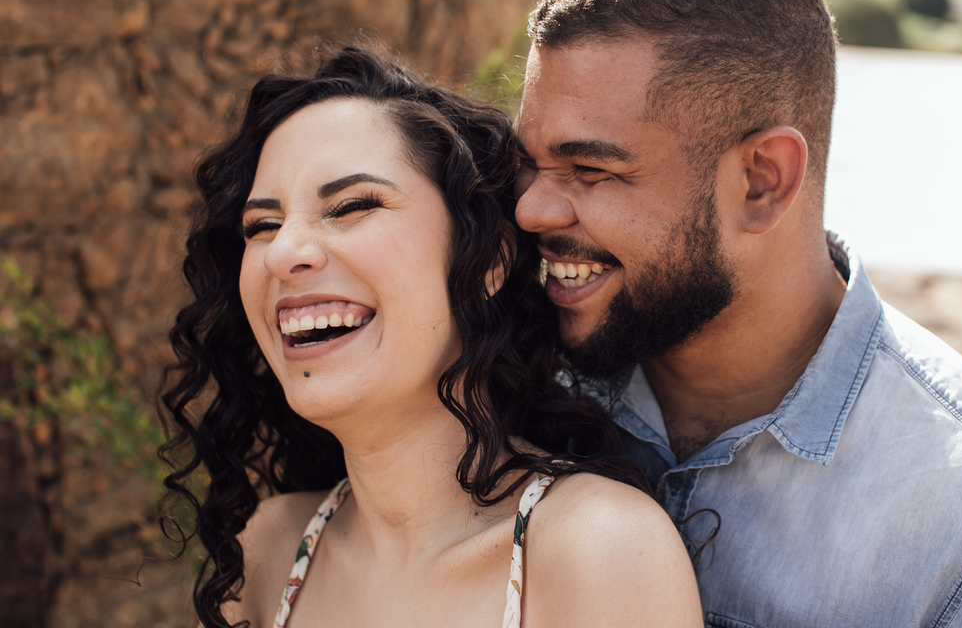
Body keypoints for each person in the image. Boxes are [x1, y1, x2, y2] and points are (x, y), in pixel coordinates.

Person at [515, 0, 962, 627]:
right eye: (530, 160)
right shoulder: (510, 381)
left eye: (590, 169)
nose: (531, 207)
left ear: (763, 181)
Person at [159, 45, 703, 628]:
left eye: (351, 206)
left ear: (490, 258)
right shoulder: (267, 550)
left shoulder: (597, 550)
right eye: (261, 225)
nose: (284, 252)